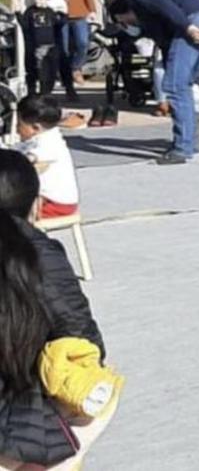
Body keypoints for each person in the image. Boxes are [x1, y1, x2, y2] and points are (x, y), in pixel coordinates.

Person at [0, 150, 111, 470]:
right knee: (95, 386)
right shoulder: (39, 254)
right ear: (35, 205)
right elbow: (85, 342)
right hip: (24, 419)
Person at [106, 0, 199, 164]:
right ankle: (190, 142)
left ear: (123, 12)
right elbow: (167, 44)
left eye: (122, 22)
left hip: (196, 21)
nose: (126, 27)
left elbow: (166, 6)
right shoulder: (150, 22)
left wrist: (188, 28)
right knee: (186, 83)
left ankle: (182, 148)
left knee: (176, 86)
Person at [14, 95, 79, 219]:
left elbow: (29, 159)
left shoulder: (50, 144)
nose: (17, 130)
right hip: (46, 201)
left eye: (19, 124)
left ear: (35, 128)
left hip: (54, 205)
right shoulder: (38, 138)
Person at [59, 0, 98, 93]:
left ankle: (76, 67)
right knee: (64, 49)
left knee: (83, 43)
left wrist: (92, 9)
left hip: (80, 12)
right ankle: (68, 83)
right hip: (62, 13)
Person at [19, 0, 62, 97]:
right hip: (36, 46)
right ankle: (32, 93)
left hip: (50, 45)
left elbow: (57, 26)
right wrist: (17, 14)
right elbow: (25, 26)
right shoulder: (30, 11)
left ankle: (46, 93)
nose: (39, 0)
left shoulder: (50, 12)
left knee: (50, 72)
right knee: (36, 71)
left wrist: (63, 17)